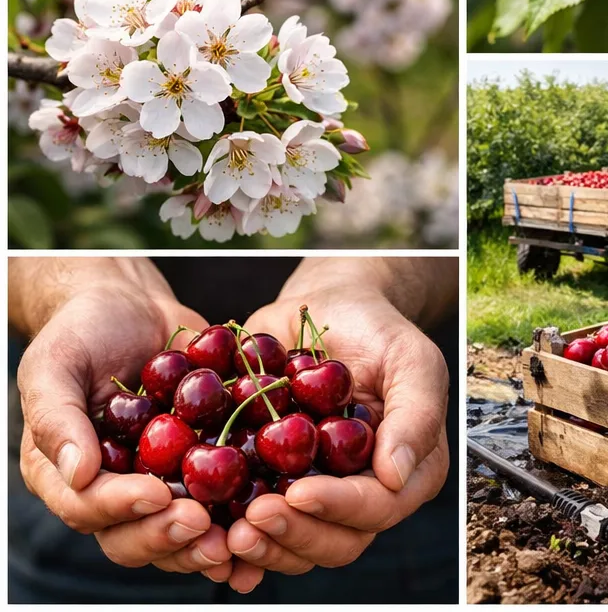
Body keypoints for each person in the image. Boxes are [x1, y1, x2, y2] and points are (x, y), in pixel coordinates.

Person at [9, 255, 457, 601]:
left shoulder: (294, 409)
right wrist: (79, 285)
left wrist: (370, 277)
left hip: (399, 544)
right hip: (70, 550)